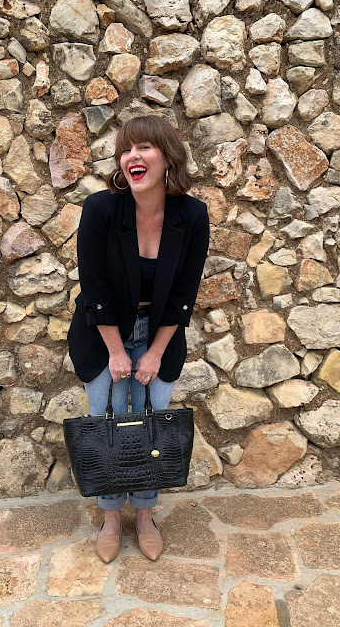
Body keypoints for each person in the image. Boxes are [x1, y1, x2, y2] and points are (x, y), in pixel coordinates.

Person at [67, 115, 210, 563]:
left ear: (167, 157)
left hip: (160, 333)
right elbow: (94, 288)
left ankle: (146, 515)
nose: (133, 156)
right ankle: (110, 518)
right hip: (101, 333)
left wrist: (153, 351)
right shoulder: (100, 209)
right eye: (127, 149)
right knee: (103, 422)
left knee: (153, 423)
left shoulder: (192, 215)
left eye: (145, 147)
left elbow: (185, 294)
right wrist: (116, 351)